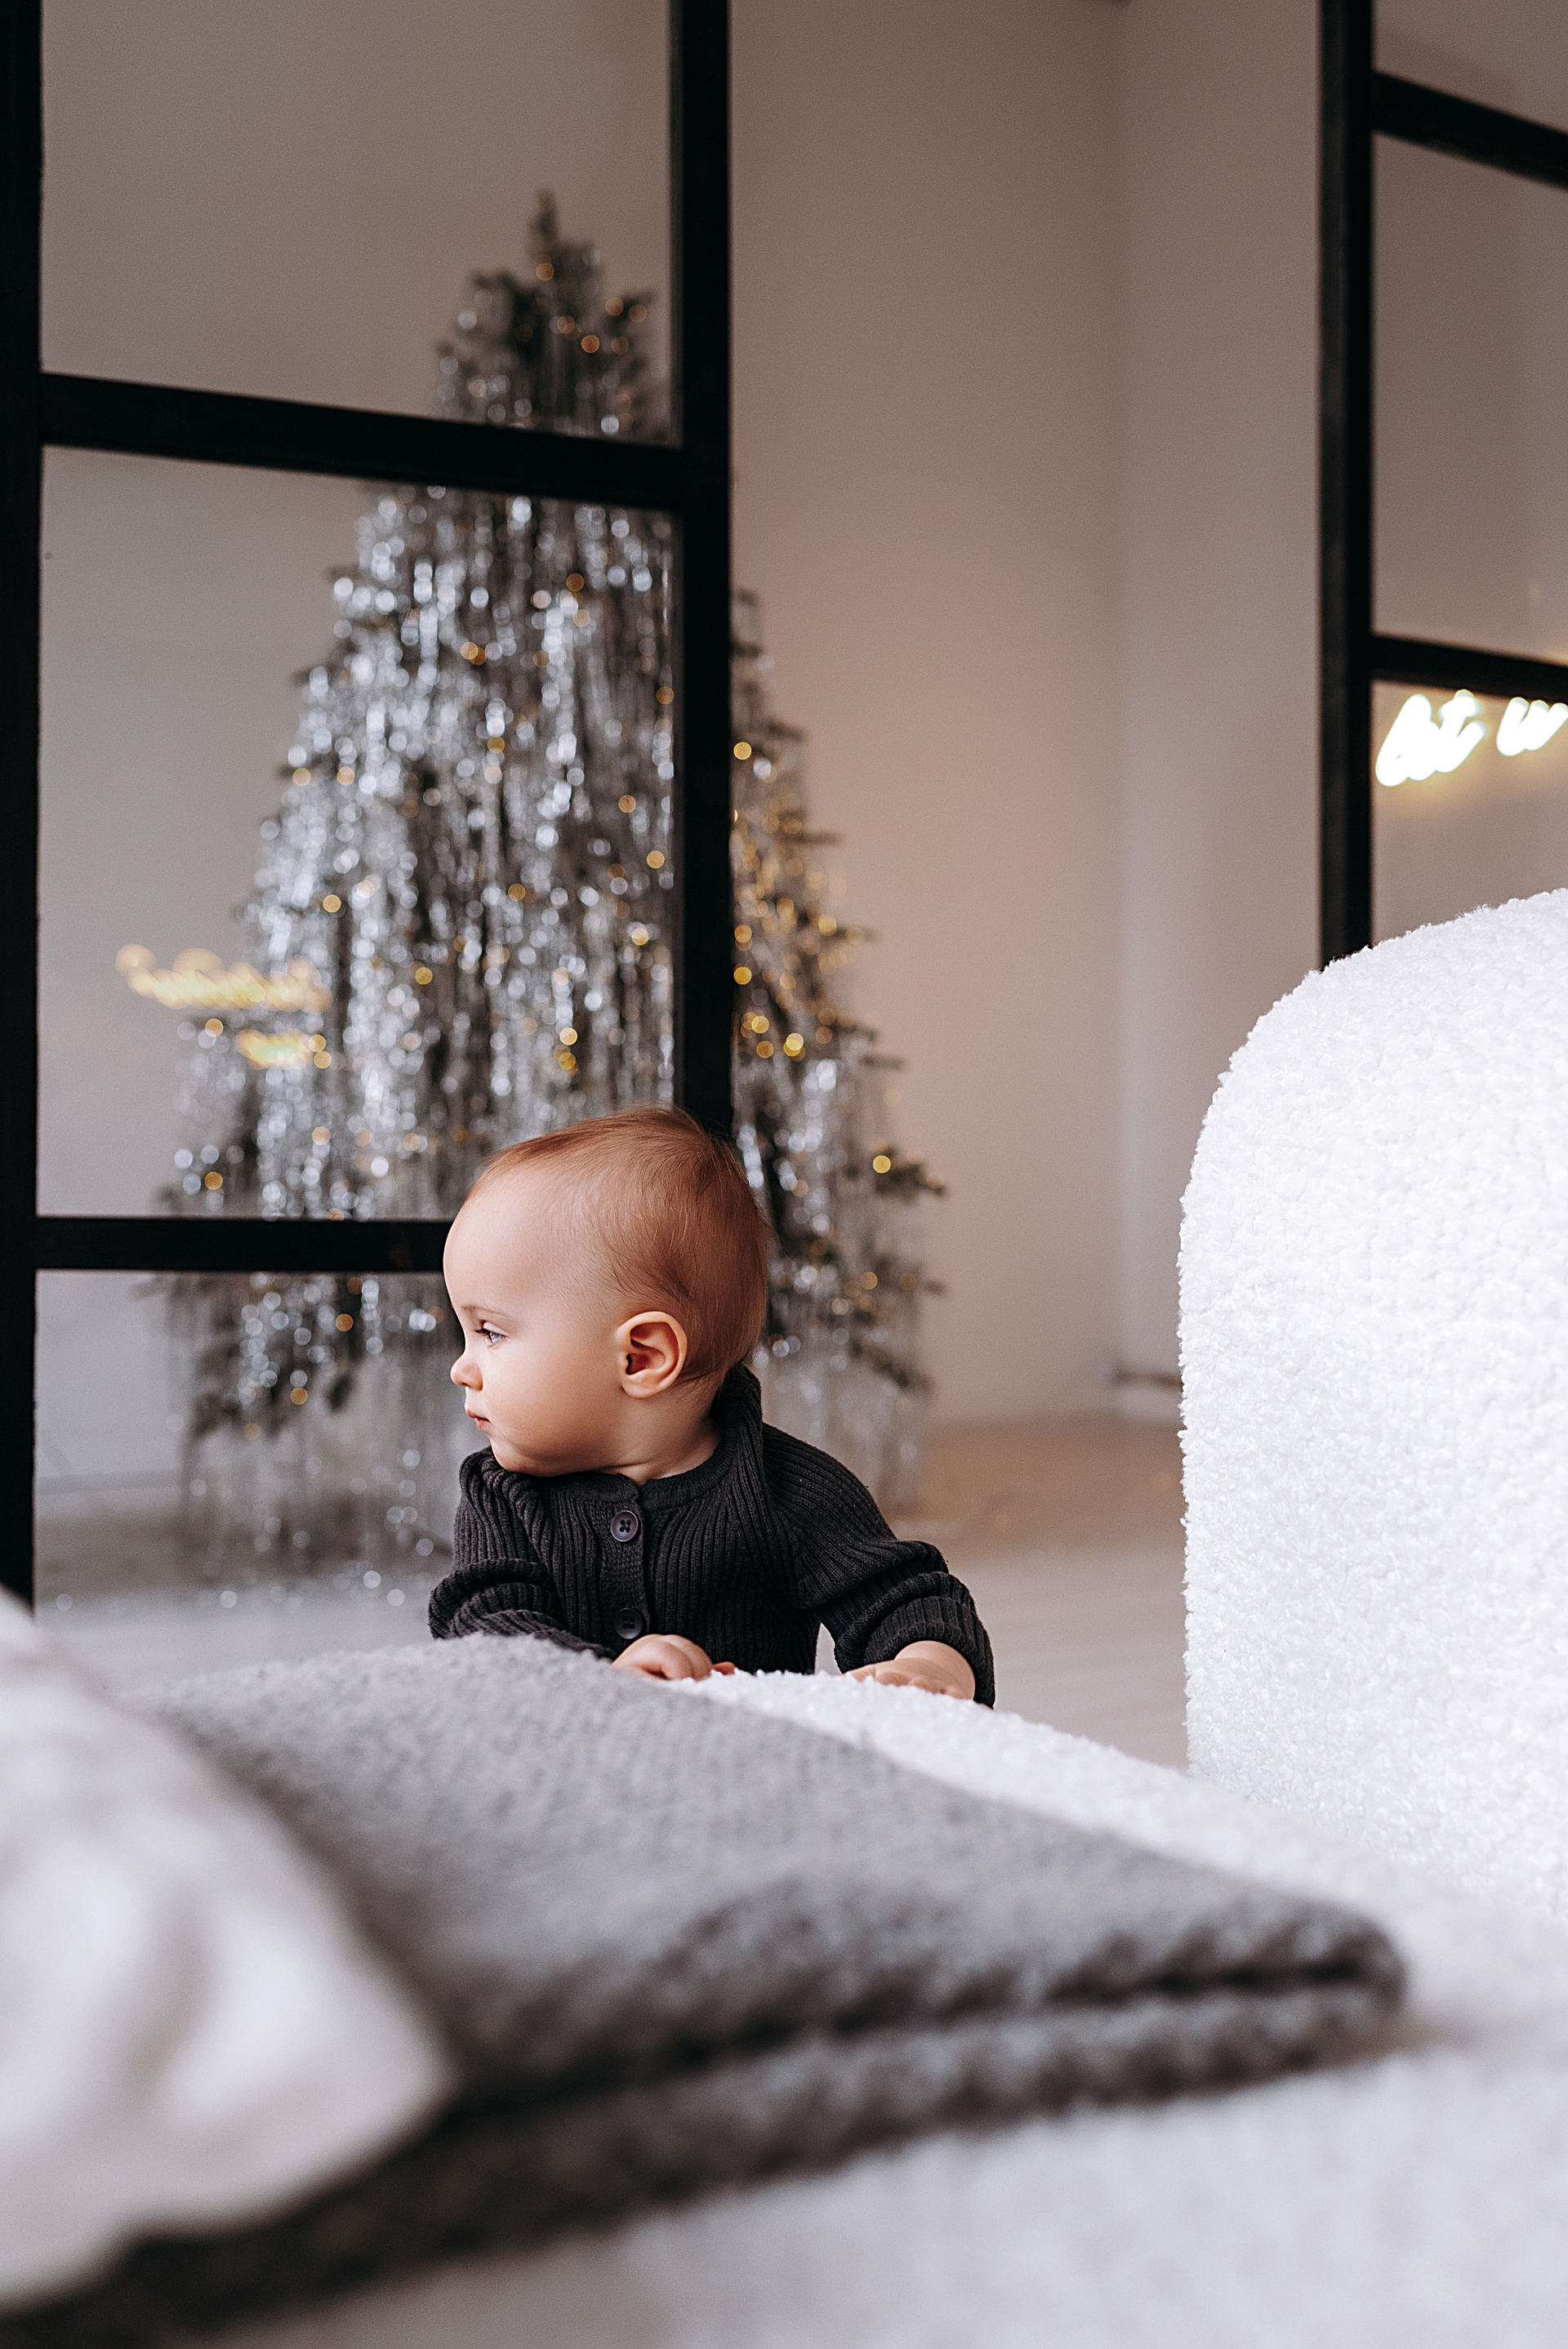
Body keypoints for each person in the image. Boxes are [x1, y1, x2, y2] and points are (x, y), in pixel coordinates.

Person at [429, 1106, 994, 1703]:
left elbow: (906, 1598)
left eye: (490, 1332)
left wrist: (928, 1667)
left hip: (747, 1751)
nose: (461, 1368)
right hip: (567, 1753)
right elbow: (481, 1623)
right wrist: (598, 1677)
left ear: (641, 1358)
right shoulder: (503, 1497)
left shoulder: (786, 1491)